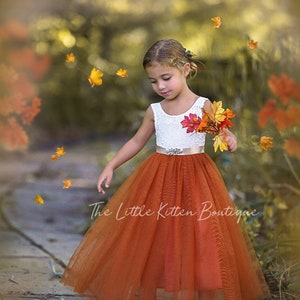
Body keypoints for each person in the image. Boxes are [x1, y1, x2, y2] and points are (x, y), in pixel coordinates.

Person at [61, 39, 271, 299]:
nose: (160, 86)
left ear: (185, 69)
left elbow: (223, 133)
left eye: (166, 77)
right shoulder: (155, 111)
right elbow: (137, 141)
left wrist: (229, 140)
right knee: (162, 234)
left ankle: (201, 286)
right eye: (153, 81)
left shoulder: (203, 105)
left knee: (201, 233)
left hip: (196, 177)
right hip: (159, 176)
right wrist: (111, 164)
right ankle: (169, 281)